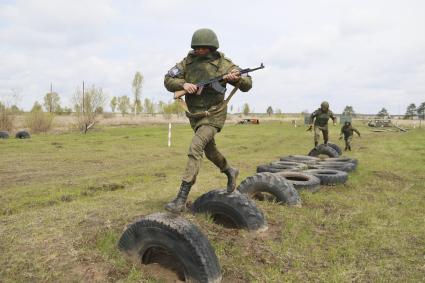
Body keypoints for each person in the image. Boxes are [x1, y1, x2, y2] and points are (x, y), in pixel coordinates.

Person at [163, 28, 252, 213]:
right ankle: (229, 171)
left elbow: (247, 83)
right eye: (197, 48)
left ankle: (181, 198)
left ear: (212, 47)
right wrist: (183, 84)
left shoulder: (223, 64)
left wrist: (235, 79)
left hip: (214, 114)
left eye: (203, 48)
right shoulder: (187, 62)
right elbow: (168, 79)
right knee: (210, 151)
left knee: (196, 147)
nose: (199, 51)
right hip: (196, 115)